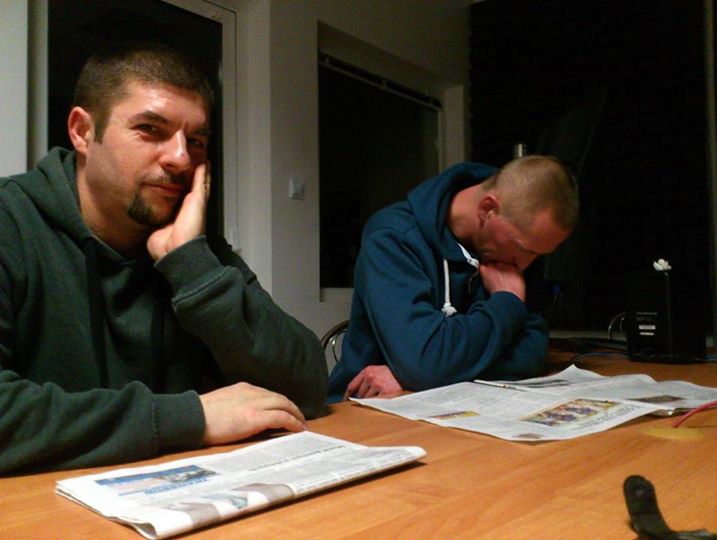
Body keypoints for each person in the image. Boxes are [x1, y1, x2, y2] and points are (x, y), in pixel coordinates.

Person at [0, 42, 328, 473]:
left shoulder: (193, 250)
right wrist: (190, 418)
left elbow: (308, 386)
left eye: (196, 141)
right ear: (82, 132)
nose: (181, 158)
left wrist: (191, 267)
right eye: (150, 129)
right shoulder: (11, 224)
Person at [327, 156, 578, 402]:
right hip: (364, 408)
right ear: (488, 209)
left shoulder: (519, 238)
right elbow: (424, 362)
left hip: (446, 403)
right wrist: (507, 302)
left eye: (538, 254)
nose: (524, 265)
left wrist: (421, 376)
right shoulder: (394, 237)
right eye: (523, 248)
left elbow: (531, 354)